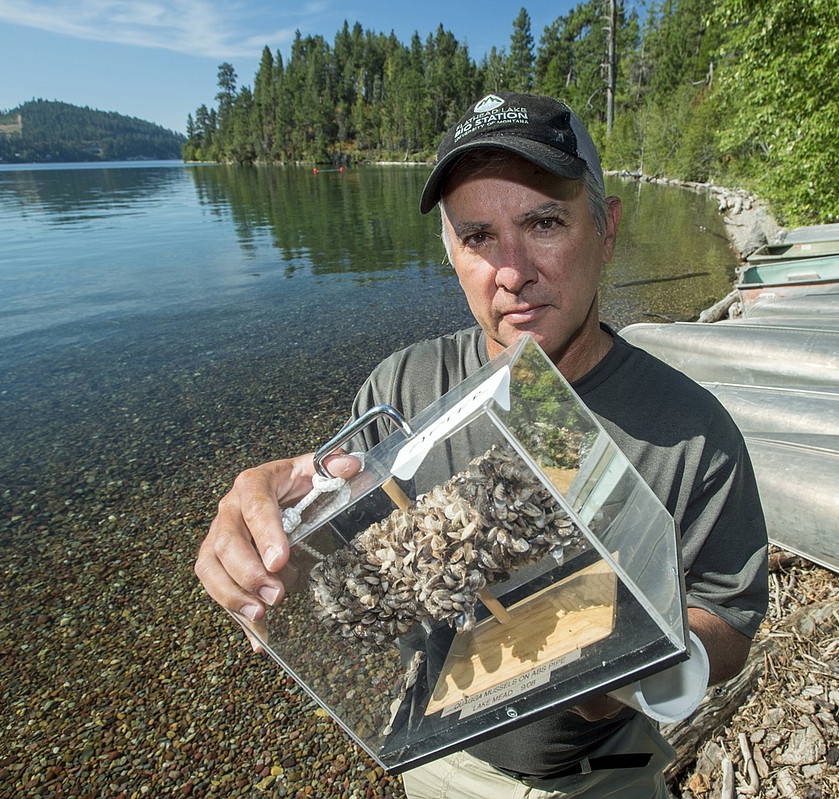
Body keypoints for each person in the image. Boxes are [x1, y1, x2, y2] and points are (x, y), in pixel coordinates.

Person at [195, 91, 769, 798]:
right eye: (478, 237)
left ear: (607, 227)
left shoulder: (693, 433)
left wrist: (636, 665)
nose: (512, 270)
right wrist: (269, 535)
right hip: (442, 765)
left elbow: (729, 613)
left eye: (545, 222)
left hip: (604, 771)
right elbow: (336, 561)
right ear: (449, 250)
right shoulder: (402, 389)